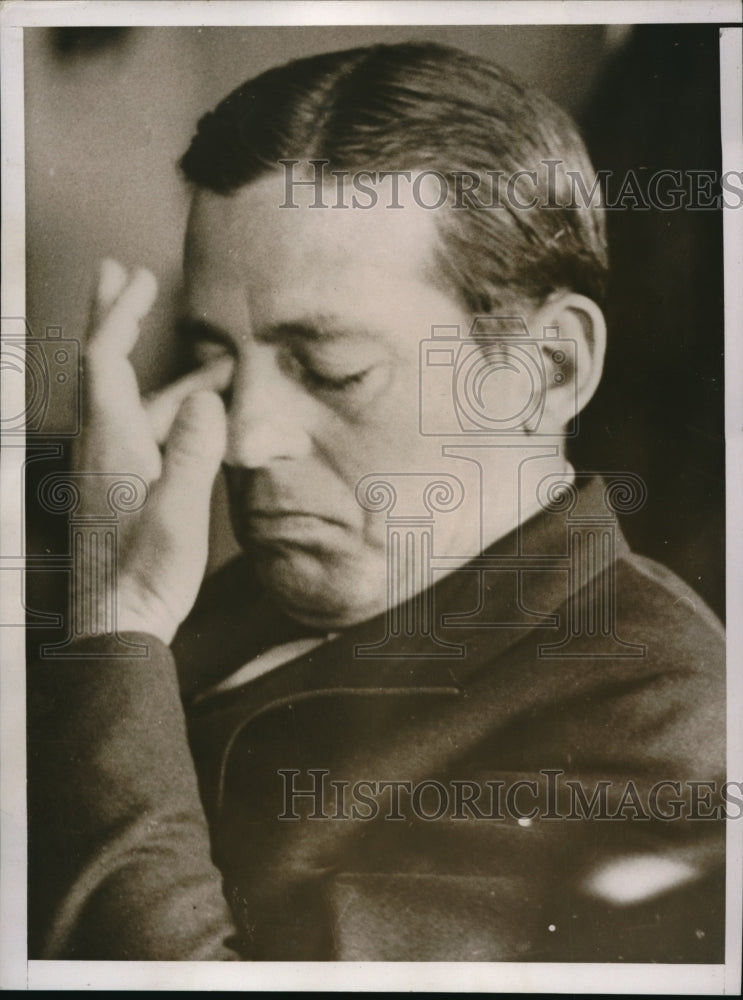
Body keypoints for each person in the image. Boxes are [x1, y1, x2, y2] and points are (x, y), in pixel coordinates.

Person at [27, 42, 726, 962]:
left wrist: (113, 634)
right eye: (216, 360)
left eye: (330, 368)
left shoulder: (666, 723)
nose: (244, 438)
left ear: (547, 368)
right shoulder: (223, 598)